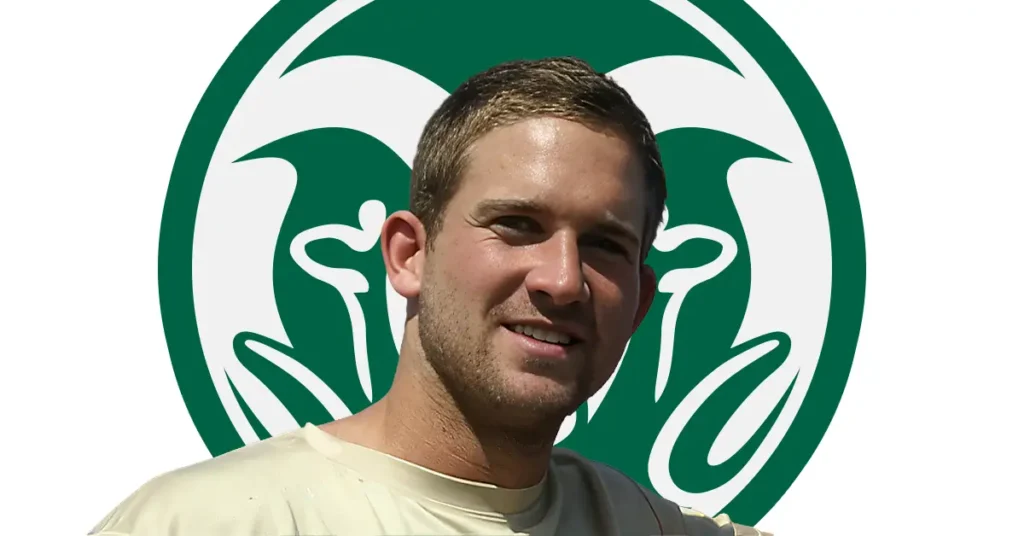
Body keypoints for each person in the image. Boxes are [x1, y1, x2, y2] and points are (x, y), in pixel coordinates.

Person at [91, 57, 772, 536]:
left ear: (641, 303)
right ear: (408, 255)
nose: (562, 279)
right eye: (517, 225)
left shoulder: (644, 526)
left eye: (603, 244)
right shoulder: (211, 522)